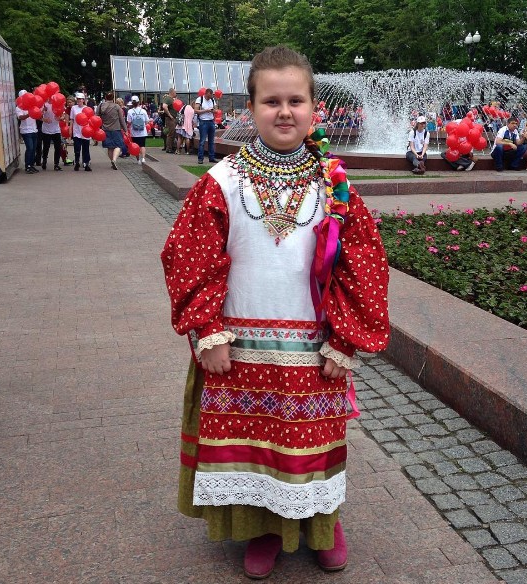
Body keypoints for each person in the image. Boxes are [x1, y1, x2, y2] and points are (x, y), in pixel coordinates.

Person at [161, 45, 390, 580]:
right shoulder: (220, 181)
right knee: (256, 447)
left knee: (314, 446)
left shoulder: (335, 184)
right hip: (239, 348)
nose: (284, 111)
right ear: (251, 107)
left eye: (295, 100)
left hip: (313, 351)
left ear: (314, 109)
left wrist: (347, 340)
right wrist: (208, 331)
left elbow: (364, 265)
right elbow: (188, 257)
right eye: (271, 101)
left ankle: (322, 523)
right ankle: (263, 528)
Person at [97, 91, 128, 170]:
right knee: (118, 145)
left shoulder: (100, 106)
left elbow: (96, 117)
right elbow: (121, 119)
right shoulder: (117, 107)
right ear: (113, 98)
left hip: (105, 129)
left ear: (105, 98)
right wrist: (125, 130)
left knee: (109, 147)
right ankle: (114, 160)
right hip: (116, 129)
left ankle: (112, 160)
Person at [15, 90, 39, 174]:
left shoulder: (32, 105)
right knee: (30, 148)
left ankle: (31, 165)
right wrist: (29, 114)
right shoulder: (19, 107)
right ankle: (27, 166)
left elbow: (37, 114)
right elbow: (20, 117)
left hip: (34, 129)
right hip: (25, 131)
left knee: (34, 148)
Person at [69, 92, 92, 171]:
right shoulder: (74, 108)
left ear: (83, 100)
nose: (79, 100)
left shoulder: (87, 109)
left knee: (86, 149)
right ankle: (77, 162)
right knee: (77, 149)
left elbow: (91, 120)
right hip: (77, 131)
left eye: (80, 99)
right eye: (78, 99)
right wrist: (70, 129)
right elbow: (71, 119)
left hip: (86, 131)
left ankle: (86, 164)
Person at [194, 88, 216, 164]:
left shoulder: (212, 100)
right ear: (206, 93)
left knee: (211, 141)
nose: (210, 98)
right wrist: (206, 110)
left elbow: (216, 110)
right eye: (209, 96)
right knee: (202, 141)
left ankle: (211, 157)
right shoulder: (200, 99)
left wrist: (213, 111)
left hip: (211, 121)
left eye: (211, 96)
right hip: (203, 121)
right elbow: (196, 110)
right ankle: (200, 158)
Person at [41, 98, 63, 171]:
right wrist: (44, 119)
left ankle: (56, 164)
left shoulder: (58, 104)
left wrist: (60, 118)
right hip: (46, 130)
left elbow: (63, 116)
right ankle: (44, 161)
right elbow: (38, 115)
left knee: (58, 147)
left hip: (56, 129)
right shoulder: (44, 104)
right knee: (46, 147)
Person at [126, 95, 149, 164]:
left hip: (134, 132)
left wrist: (127, 128)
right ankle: (143, 158)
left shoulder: (130, 111)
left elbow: (129, 122)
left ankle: (138, 160)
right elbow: (147, 121)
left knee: (136, 146)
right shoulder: (143, 111)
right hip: (143, 132)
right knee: (142, 145)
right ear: (139, 102)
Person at [162, 88, 178, 153]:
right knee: (171, 133)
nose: (176, 93)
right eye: (175, 92)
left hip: (172, 118)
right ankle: (169, 148)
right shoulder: (168, 99)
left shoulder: (171, 99)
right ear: (172, 92)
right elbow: (164, 106)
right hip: (170, 119)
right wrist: (170, 115)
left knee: (173, 133)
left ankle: (171, 147)